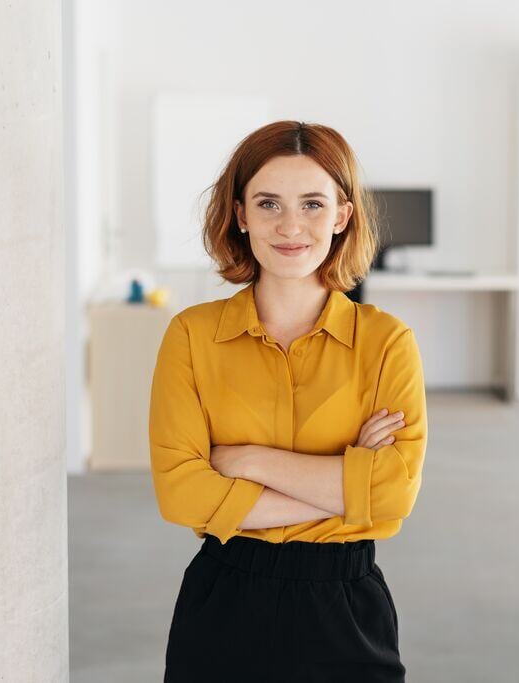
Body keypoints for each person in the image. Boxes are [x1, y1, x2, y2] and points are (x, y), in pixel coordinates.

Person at [149, 120, 428, 682]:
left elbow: (395, 492)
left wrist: (247, 462)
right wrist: (351, 489)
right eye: (269, 202)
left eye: (313, 204)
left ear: (343, 216)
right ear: (241, 214)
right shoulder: (191, 335)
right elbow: (182, 494)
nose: (291, 226)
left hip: (346, 608)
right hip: (224, 601)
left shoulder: (386, 342)